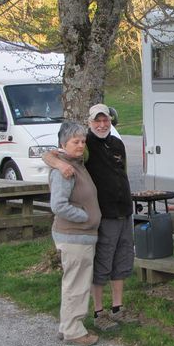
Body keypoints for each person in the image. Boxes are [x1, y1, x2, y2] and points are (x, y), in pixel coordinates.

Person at [44, 103, 135, 332]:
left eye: (106, 120)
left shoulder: (116, 143)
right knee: (102, 264)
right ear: (90, 122)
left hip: (124, 211)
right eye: (97, 121)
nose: (102, 124)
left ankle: (118, 308)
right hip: (102, 215)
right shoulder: (85, 145)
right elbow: (51, 154)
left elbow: (121, 172)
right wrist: (56, 163)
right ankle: (98, 311)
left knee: (121, 263)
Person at [49, 121, 101, 346]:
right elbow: (58, 205)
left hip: (82, 236)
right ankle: (74, 331)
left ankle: (66, 326)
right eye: (75, 142)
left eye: (82, 141)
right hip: (74, 236)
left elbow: (48, 154)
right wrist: (85, 216)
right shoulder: (64, 170)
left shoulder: (76, 164)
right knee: (77, 285)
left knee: (73, 282)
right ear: (63, 144)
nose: (80, 145)